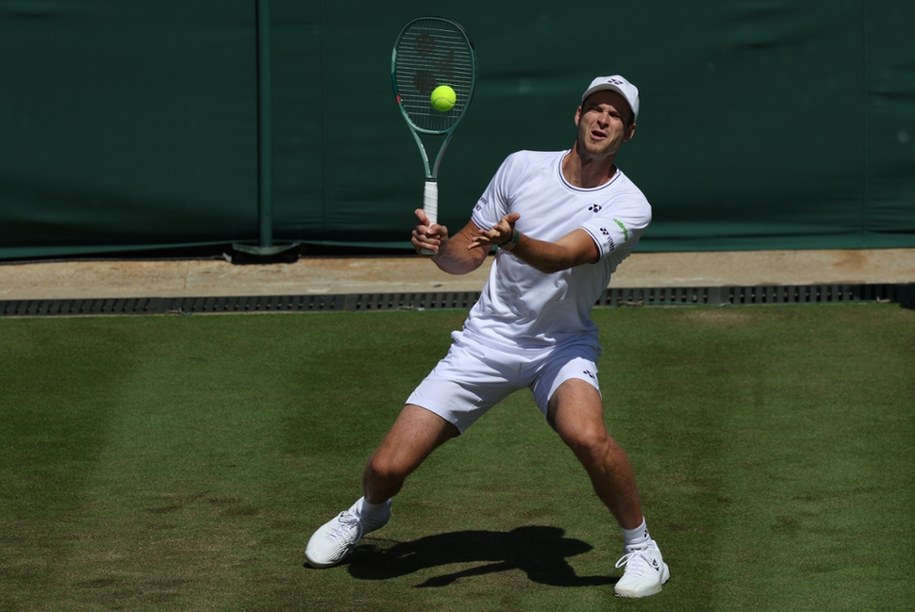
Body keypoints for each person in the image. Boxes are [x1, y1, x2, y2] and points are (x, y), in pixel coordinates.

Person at [305, 74, 670, 598]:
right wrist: (438, 248)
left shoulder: (631, 205)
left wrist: (514, 242)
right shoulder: (521, 166)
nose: (602, 119)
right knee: (387, 466)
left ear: (628, 133)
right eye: (595, 108)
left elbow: (565, 256)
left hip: (560, 347)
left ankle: (643, 550)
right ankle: (368, 513)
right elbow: (466, 255)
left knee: (587, 434)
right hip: (487, 342)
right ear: (578, 115)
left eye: (615, 115)